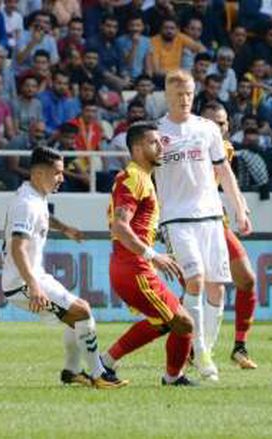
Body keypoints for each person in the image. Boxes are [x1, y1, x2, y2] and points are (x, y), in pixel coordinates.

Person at [152, 70, 251, 382]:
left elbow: (224, 173)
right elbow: (144, 177)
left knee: (217, 288)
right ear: (167, 96)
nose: (184, 100)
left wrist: (240, 208)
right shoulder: (156, 132)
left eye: (189, 94)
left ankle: (204, 347)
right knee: (194, 279)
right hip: (176, 219)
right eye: (179, 94)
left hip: (209, 216)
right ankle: (201, 351)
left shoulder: (207, 129)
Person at [1, 146, 127, 389]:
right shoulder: (26, 204)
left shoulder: (35, 197)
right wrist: (34, 285)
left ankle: (71, 372)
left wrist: (66, 229)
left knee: (76, 319)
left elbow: (44, 217)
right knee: (82, 311)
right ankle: (99, 373)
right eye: (57, 173)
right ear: (38, 174)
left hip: (28, 278)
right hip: (22, 282)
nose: (62, 178)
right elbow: (18, 247)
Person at [98, 123, 197, 387]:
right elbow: (121, 225)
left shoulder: (141, 178)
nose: (161, 147)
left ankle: (105, 362)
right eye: (154, 142)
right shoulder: (134, 177)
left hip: (130, 265)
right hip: (134, 267)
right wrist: (153, 255)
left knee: (161, 322)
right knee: (184, 323)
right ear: (138, 148)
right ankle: (173, 377)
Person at [202, 102, 259, 369]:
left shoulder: (226, 149)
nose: (218, 127)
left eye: (222, 123)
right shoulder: (185, 145)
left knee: (246, 279)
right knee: (197, 289)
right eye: (212, 121)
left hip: (216, 222)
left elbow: (224, 181)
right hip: (186, 223)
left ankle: (239, 346)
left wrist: (240, 208)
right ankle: (195, 349)